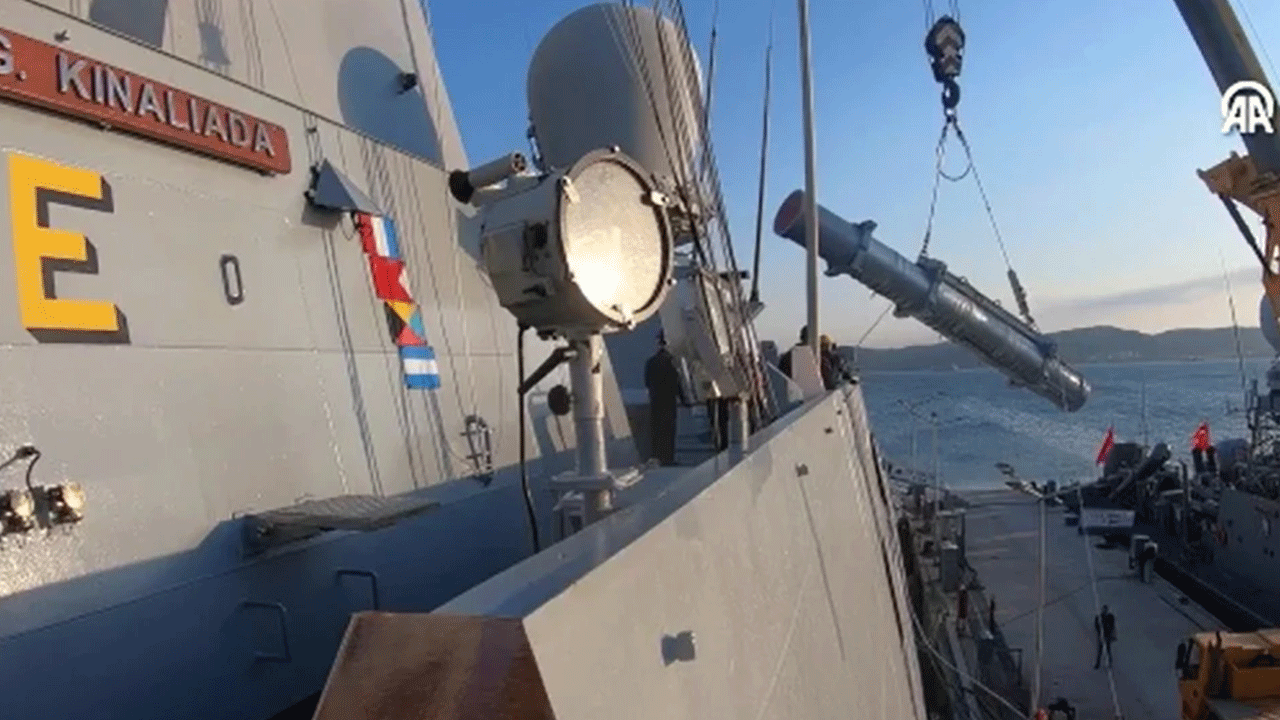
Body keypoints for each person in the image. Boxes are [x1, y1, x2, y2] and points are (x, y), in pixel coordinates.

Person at [645, 332, 688, 466]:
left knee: (656, 430)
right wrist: (684, 400)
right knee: (669, 431)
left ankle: (656, 457)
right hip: (669, 401)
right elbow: (677, 383)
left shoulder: (651, 362)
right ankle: (668, 458)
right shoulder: (672, 362)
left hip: (655, 401)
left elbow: (647, 382)